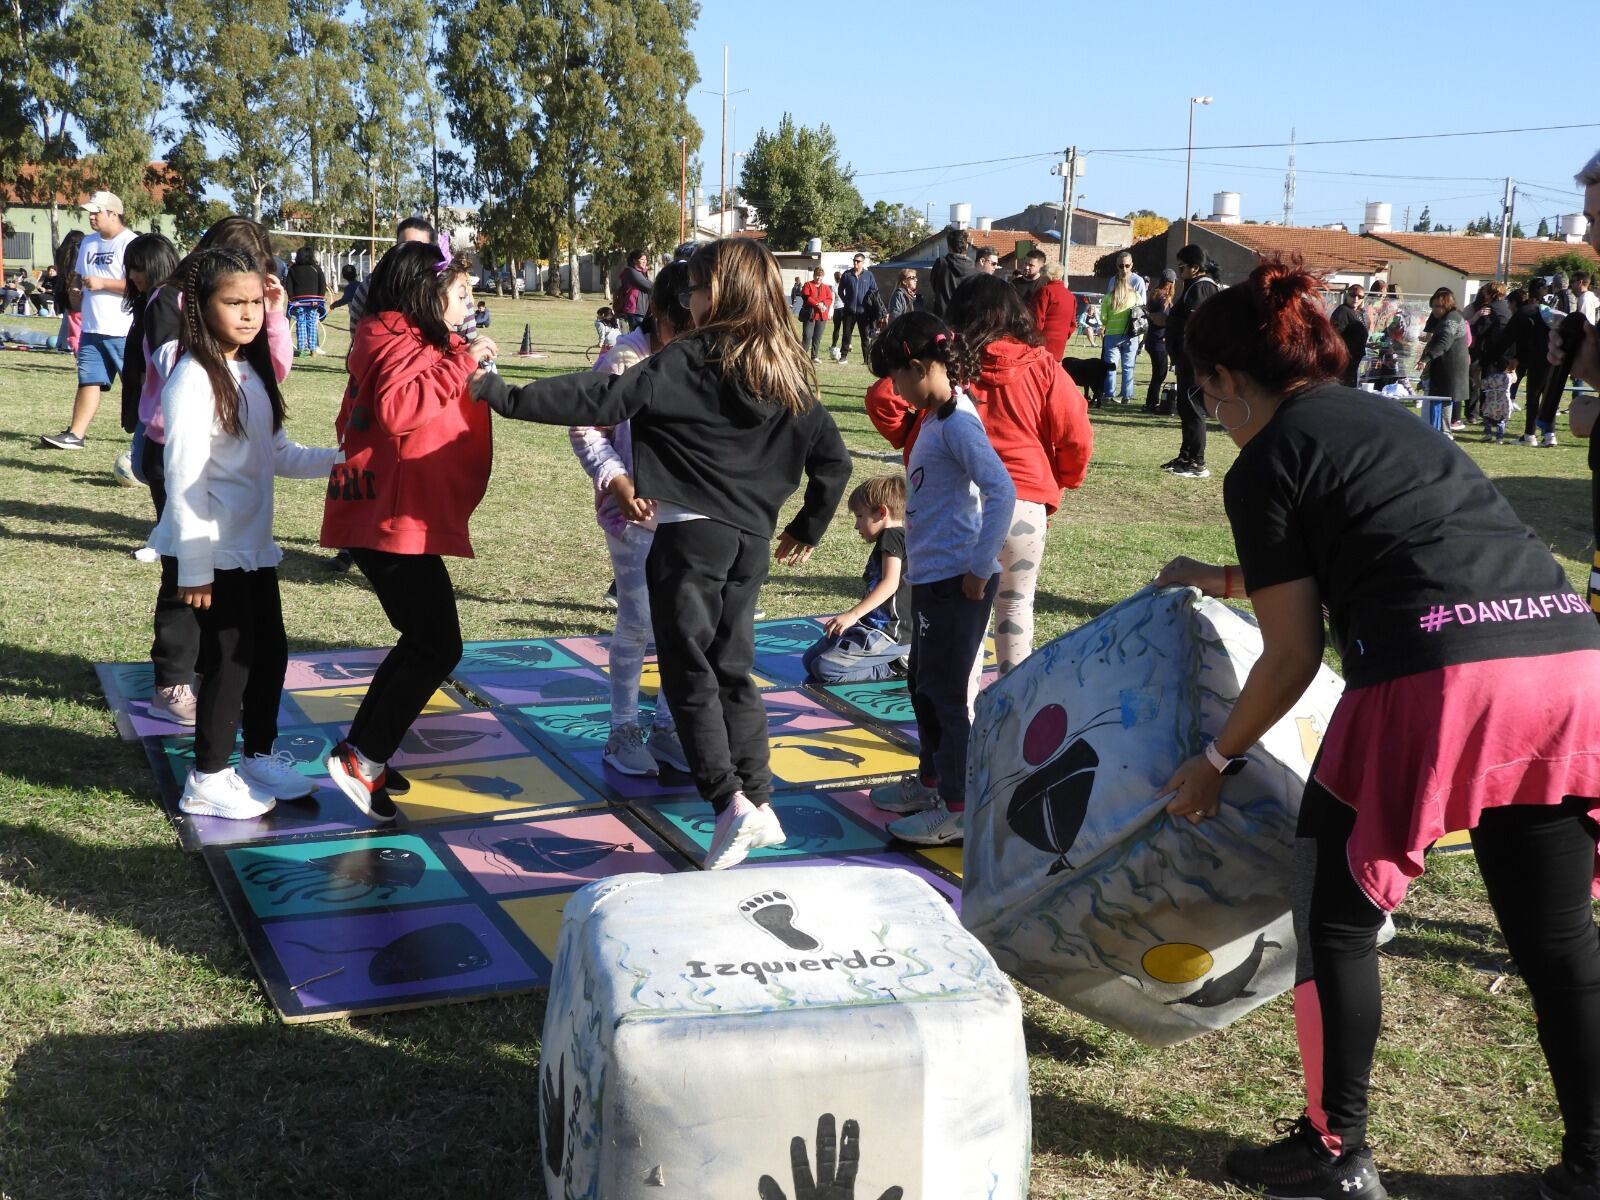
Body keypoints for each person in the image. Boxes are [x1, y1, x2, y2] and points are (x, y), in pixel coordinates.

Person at [1155, 258, 1600, 1200]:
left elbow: (1289, 657)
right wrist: (1224, 577)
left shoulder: (1267, 457)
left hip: (1436, 680)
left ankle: (1332, 1148)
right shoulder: (1384, 417)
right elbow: (1397, 540)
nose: (1211, 408)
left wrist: (1214, 759)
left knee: (1337, 916)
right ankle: (1593, 1161)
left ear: (1230, 380)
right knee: (1558, 940)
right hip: (1565, 663)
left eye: (1205, 391)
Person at [472, 238, 852, 870]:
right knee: (732, 667)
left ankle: (728, 800)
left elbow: (601, 399)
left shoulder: (689, 359)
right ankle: (759, 800)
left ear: (721, 294)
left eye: (698, 290)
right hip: (749, 546)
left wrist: (501, 393)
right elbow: (833, 462)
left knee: (687, 671)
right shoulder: (787, 370)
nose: (690, 301)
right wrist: (808, 527)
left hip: (688, 539)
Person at [147, 247, 340, 818]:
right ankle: (207, 776)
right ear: (200, 307)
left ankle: (257, 755)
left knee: (268, 655)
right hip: (216, 551)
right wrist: (196, 566)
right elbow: (183, 477)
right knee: (230, 663)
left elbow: (277, 452)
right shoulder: (192, 377)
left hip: (254, 549)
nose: (249, 313)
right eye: (234, 302)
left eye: (256, 301)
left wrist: (340, 460)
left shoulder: (250, 371)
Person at [319, 239, 499, 820]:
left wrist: (460, 353)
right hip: (388, 520)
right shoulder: (400, 342)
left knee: (422, 639)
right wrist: (462, 360)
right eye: (462, 293)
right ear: (427, 294)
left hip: (388, 516)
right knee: (438, 643)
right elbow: (399, 411)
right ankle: (362, 756)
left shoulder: (401, 336)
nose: (470, 304)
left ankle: (366, 749)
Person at [137, 217, 296, 725]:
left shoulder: (247, 329)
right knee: (184, 564)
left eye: (255, 289)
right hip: (175, 446)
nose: (247, 308)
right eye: (236, 297)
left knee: (242, 622)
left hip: (230, 455)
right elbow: (169, 362)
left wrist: (274, 314)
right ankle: (173, 677)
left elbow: (271, 373)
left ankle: (214, 680)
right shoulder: (171, 306)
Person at [865, 311, 1015, 847]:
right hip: (933, 578)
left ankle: (958, 806)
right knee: (923, 686)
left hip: (958, 581)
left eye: (899, 378)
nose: (897, 391)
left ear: (922, 366)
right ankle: (932, 782)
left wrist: (978, 569)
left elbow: (1002, 492)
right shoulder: (934, 417)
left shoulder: (959, 422)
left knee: (948, 696)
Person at [568, 260, 694, 778]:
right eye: (681, 327)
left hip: (686, 514)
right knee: (638, 621)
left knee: (682, 625)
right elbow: (586, 427)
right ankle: (623, 729)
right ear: (658, 312)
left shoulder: (698, 356)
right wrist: (617, 482)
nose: (690, 338)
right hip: (634, 516)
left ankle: (667, 725)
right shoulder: (624, 359)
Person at [943, 274, 1094, 675]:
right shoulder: (1044, 366)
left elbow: (886, 398)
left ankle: (963, 711)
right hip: (1024, 505)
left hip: (965, 505)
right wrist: (1065, 478)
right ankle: (1013, 708)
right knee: (1015, 603)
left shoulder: (952, 364)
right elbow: (1076, 432)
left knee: (966, 611)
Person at [41, 191, 137, 449]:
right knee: (88, 380)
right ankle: (75, 435)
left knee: (137, 387)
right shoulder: (89, 243)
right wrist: (74, 291)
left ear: (114, 214)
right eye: (90, 212)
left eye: (97, 212)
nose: (91, 217)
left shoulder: (131, 243)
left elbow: (140, 285)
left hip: (123, 330)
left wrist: (103, 283)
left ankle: (149, 439)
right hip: (92, 328)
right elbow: (79, 276)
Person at [802, 475, 912, 684]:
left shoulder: (892, 535)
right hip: (870, 625)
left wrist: (852, 614)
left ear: (882, 512)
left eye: (860, 516)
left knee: (824, 669)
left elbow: (890, 583)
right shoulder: (894, 537)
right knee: (810, 660)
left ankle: (895, 665)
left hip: (889, 633)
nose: (856, 525)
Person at [1163, 244, 1222, 478]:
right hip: (1186, 360)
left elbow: (1198, 327)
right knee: (1186, 409)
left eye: (1182, 266)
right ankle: (1185, 456)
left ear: (1195, 267)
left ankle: (1197, 462)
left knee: (1194, 409)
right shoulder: (1193, 286)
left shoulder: (1202, 288)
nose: (1179, 270)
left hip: (1195, 362)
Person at [346, 216, 435, 325]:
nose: (411, 255)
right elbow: (356, 335)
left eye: (419, 249)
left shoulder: (443, 286)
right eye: (405, 247)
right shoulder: (371, 285)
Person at [1415, 286, 1468, 435]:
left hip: (1450, 368)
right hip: (1445, 367)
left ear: (1447, 305)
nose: (1434, 310)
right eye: (1433, 306)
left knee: (1442, 400)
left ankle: (1442, 433)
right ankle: (1442, 432)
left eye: (1438, 306)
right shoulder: (1446, 317)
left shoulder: (1452, 319)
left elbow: (1444, 342)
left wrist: (1426, 359)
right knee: (1443, 400)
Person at [1099, 254, 1143, 403]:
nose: (1124, 269)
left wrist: (1108, 322)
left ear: (1132, 265)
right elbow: (1141, 310)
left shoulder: (1109, 296)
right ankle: (1127, 395)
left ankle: (1109, 393)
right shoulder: (1136, 295)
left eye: (1127, 266)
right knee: (1128, 366)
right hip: (1130, 334)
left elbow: (1103, 317)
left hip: (1112, 333)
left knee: (1111, 365)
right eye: (1120, 266)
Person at [1026, 251, 1077, 362]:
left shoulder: (1045, 291)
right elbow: (1072, 323)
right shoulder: (1070, 296)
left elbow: (1038, 317)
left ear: (1047, 276)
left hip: (1043, 340)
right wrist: (1064, 336)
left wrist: (1033, 337)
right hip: (1060, 341)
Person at [836, 252, 881, 363]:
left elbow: (874, 291)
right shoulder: (847, 274)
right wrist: (846, 301)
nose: (856, 263)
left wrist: (871, 305)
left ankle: (866, 359)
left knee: (865, 336)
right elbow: (840, 290)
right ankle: (843, 356)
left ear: (863, 262)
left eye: (858, 261)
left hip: (864, 312)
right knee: (846, 335)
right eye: (854, 261)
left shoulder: (868, 275)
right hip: (849, 311)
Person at [285, 246, 328, 357]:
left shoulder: (293, 269)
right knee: (312, 323)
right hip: (313, 300)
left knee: (301, 322)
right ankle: (313, 349)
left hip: (299, 300)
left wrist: (292, 298)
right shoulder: (316, 268)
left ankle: (302, 349)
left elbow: (289, 286)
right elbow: (322, 284)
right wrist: (320, 298)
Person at [1143, 269, 1176, 413]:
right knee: (1160, 373)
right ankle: (1152, 403)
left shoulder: (1154, 294)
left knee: (1158, 372)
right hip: (1159, 340)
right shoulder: (1164, 299)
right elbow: (1163, 319)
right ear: (1171, 283)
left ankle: (1151, 401)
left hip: (1151, 338)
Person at [928, 225, 976, 318]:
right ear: (966, 246)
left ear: (949, 246)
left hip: (942, 319)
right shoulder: (973, 269)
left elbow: (934, 284)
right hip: (963, 320)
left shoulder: (941, 264)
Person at [1328, 283, 1368, 388]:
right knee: (1344, 387)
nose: (1356, 298)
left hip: (1354, 359)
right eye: (1352, 295)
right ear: (1347, 296)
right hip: (1345, 359)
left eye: (1360, 296)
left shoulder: (1357, 312)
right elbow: (1334, 334)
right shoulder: (1342, 311)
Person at [614, 249, 653, 332]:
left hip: (642, 309)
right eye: (642, 259)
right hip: (634, 309)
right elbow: (649, 286)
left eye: (645, 259)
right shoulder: (631, 272)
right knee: (638, 334)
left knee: (640, 334)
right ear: (634, 260)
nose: (644, 261)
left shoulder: (641, 272)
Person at [800, 266, 833, 363]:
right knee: (807, 336)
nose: (818, 278)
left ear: (823, 277)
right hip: (810, 314)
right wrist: (817, 304)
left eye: (820, 276)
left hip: (822, 315)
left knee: (817, 337)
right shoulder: (808, 285)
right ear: (814, 276)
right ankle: (802, 356)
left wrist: (824, 304)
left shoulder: (826, 287)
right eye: (817, 276)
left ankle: (814, 356)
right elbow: (806, 297)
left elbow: (830, 299)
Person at [1480, 353, 1514, 442]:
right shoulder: (1508, 377)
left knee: (1487, 418)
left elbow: (1482, 385)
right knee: (1501, 420)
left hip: (1491, 401)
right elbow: (1515, 379)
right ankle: (1500, 437)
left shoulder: (1490, 377)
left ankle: (1488, 433)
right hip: (1503, 402)